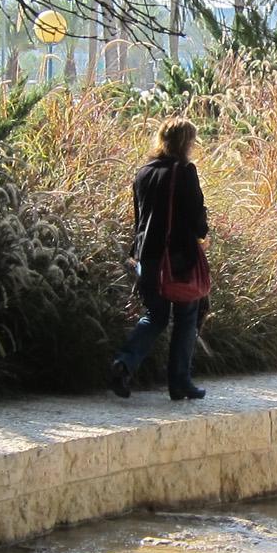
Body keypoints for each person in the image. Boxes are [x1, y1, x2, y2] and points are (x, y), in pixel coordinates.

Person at [110, 119, 209, 401]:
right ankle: (180, 382)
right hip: (177, 257)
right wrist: (203, 233)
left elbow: (140, 218)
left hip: (148, 257)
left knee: (155, 315)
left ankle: (124, 362)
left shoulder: (144, 173)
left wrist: (135, 253)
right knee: (187, 316)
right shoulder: (185, 171)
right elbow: (196, 212)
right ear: (185, 142)